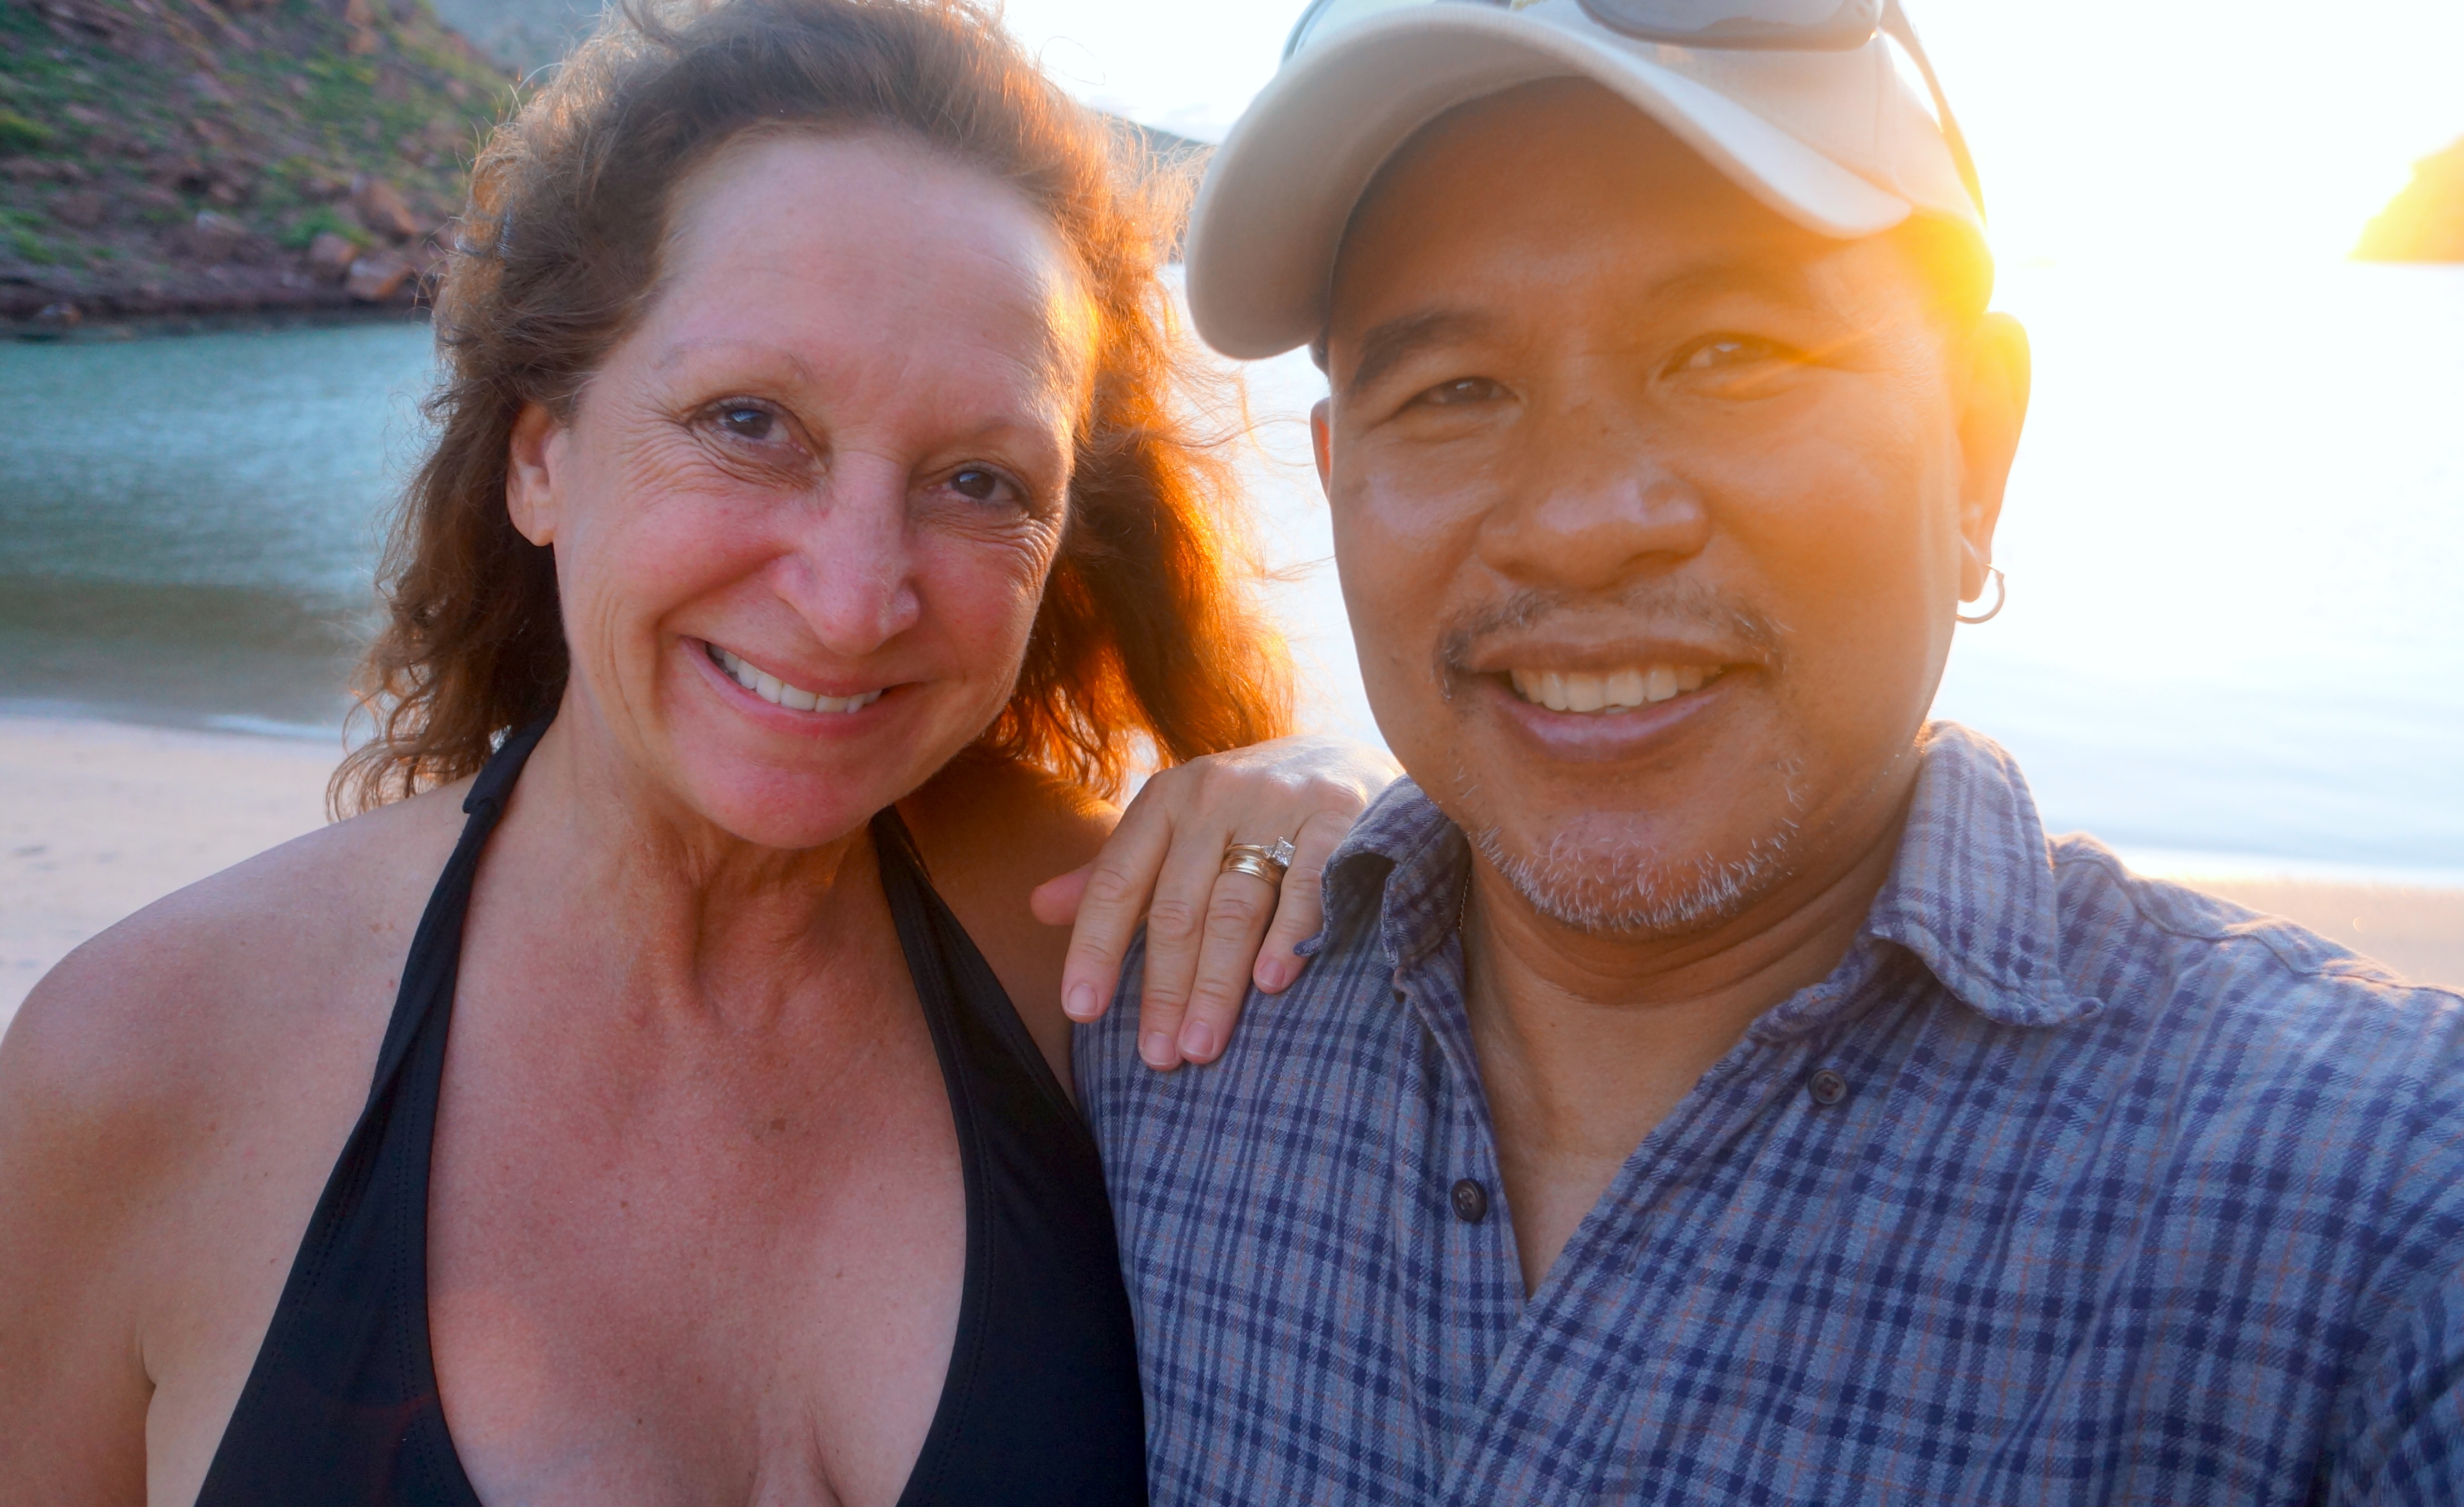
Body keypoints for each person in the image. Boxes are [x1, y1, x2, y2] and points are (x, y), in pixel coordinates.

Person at [0, 2, 1395, 1503]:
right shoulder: (148, 1067)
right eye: (749, 422)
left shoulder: (1121, 974)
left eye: (979, 481)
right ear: (540, 457)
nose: (853, 601)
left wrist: (1357, 817)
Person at [1078, 1, 2464, 1501]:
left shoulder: (2371, 1211)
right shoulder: (1167, 1048)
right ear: (1341, 475)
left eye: (1730, 352)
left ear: (1976, 449)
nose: (1581, 521)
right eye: (1454, 391)